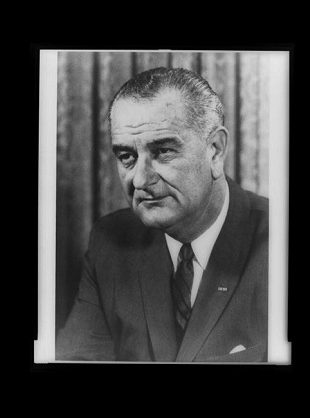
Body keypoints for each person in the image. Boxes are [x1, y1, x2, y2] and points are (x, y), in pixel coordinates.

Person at [56, 67, 268, 362]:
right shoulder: (110, 243)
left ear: (216, 151)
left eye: (164, 151)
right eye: (126, 156)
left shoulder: (278, 242)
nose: (140, 180)